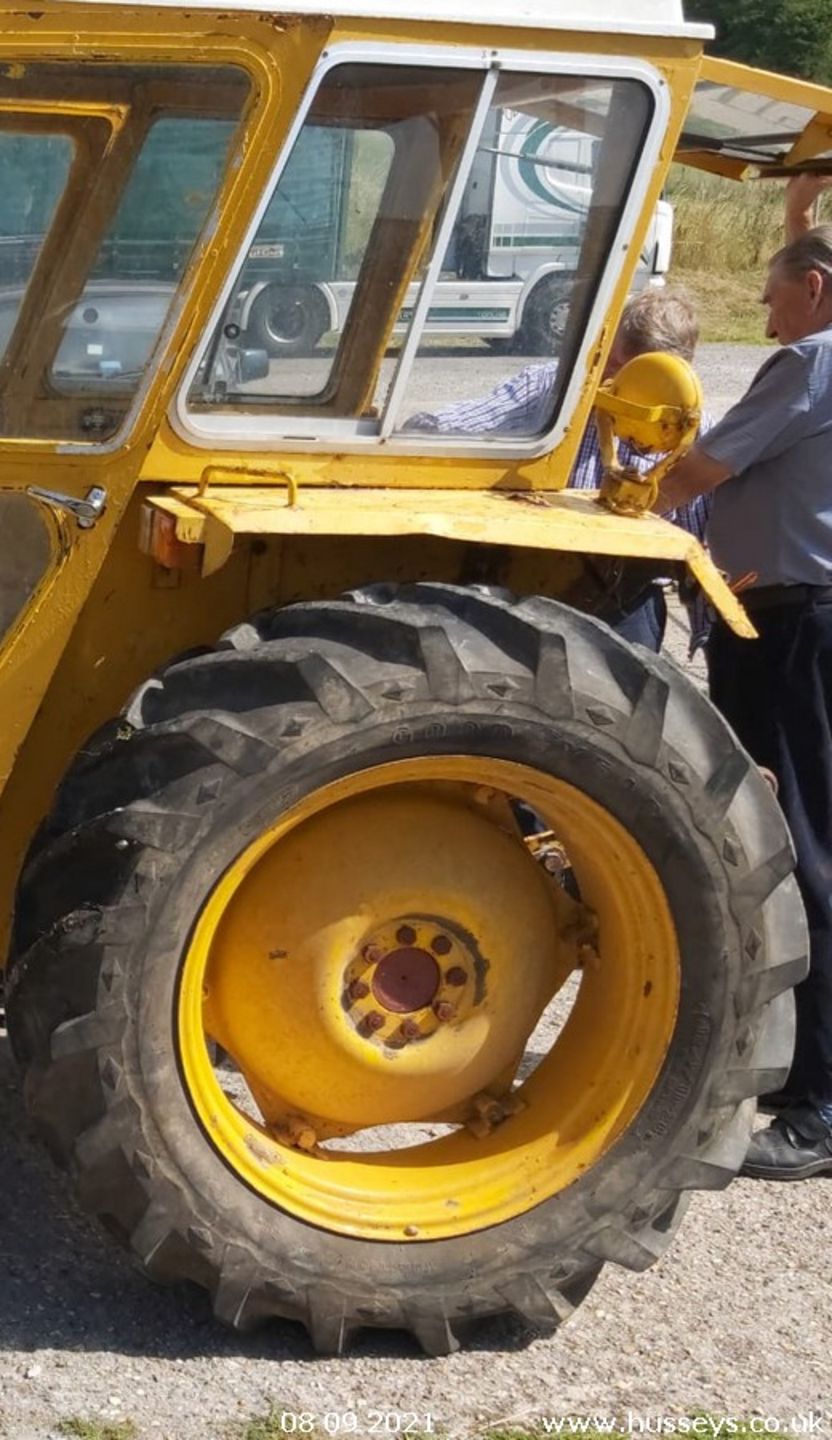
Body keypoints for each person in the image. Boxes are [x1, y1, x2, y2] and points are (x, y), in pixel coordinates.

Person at [656, 226, 832, 1180]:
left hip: (794, 617)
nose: (763, 318)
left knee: (802, 839)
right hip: (797, 611)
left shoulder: (809, 361)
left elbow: (699, 470)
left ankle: (820, 1104)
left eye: (769, 298)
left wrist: (629, 502)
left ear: (813, 287)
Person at [405, 287, 709, 652]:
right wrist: (412, 434)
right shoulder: (552, 387)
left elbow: (700, 542)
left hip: (626, 599)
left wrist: (705, 630)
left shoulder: (693, 432)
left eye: (633, 376)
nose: (613, 384)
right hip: (534, 584)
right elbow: (460, 423)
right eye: (612, 365)